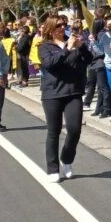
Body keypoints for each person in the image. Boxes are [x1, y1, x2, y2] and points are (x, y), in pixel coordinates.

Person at [38, 15, 92, 183]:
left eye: (64, 25)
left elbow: (88, 60)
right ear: (50, 28)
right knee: (53, 131)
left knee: (75, 129)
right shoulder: (44, 46)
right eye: (58, 25)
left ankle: (66, 159)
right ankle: (52, 169)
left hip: (73, 92)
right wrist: (67, 49)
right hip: (52, 93)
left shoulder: (73, 41)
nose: (62, 28)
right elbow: (50, 64)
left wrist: (81, 47)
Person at [83, 17, 107, 112]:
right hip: (93, 63)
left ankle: (101, 107)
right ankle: (88, 103)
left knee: (101, 87)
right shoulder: (93, 35)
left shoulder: (102, 35)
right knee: (92, 84)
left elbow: (100, 51)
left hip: (99, 62)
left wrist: (93, 42)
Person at [15, 18, 35, 88]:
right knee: (25, 69)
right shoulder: (29, 37)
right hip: (27, 54)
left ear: (23, 31)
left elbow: (20, 48)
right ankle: (24, 80)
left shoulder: (24, 38)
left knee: (24, 69)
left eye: (21, 30)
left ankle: (24, 81)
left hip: (24, 55)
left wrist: (16, 47)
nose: (20, 31)